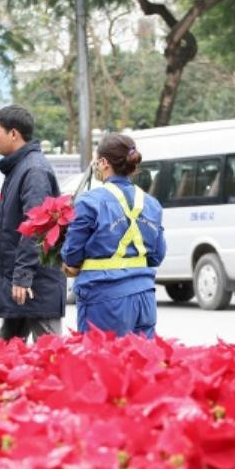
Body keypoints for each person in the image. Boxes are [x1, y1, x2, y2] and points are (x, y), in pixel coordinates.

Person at [60, 133, 167, 337]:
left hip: (104, 298)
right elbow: (157, 256)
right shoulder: (151, 204)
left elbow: (72, 255)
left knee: (102, 363)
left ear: (103, 162)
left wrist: (70, 265)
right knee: (142, 363)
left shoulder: (89, 202)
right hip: (144, 297)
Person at [0, 105, 66, 341]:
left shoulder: (33, 170)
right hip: (23, 282)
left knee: (51, 355)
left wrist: (22, 275)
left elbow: (37, 225)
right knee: (7, 356)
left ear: (14, 134)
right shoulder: (20, 168)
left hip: (35, 283)